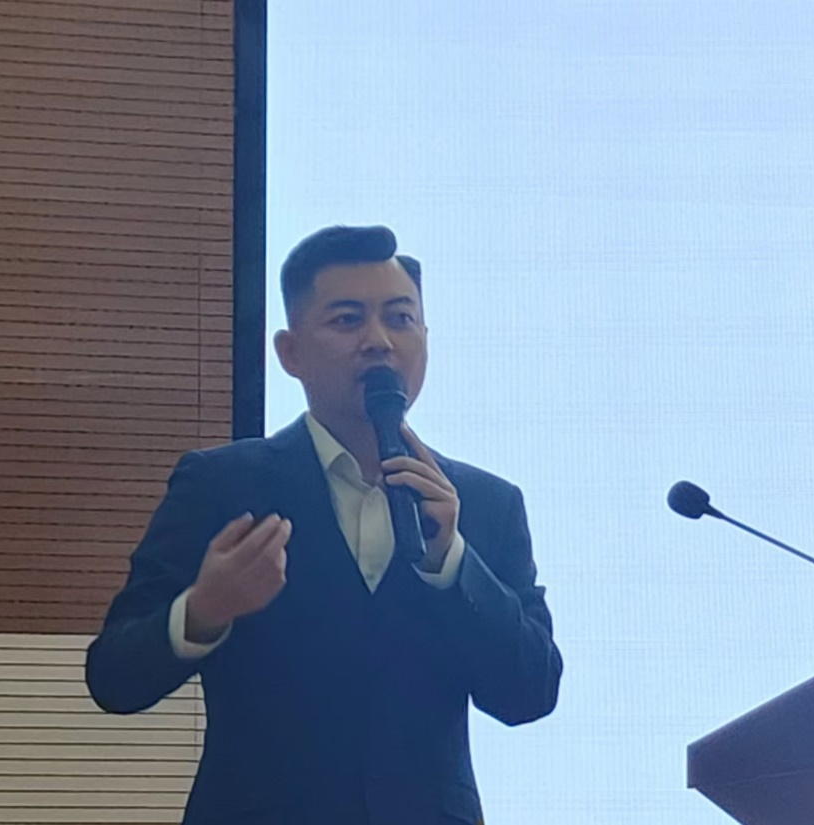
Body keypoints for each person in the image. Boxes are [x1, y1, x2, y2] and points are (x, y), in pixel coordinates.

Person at [85, 225, 563, 825]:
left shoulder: (486, 504)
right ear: (290, 353)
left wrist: (452, 563)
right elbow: (114, 678)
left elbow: (531, 693)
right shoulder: (221, 485)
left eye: (400, 319)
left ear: (425, 340)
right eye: (347, 320)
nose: (379, 341)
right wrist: (203, 610)